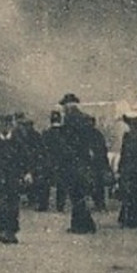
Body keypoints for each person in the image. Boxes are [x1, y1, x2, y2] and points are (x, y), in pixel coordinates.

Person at [59, 94, 99, 234]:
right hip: (84, 161)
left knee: (75, 193)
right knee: (80, 193)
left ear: (69, 106)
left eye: (64, 106)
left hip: (74, 162)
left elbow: (68, 143)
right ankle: (84, 224)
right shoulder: (84, 119)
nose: (63, 109)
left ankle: (82, 225)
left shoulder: (70, 119)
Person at [0, 113, 26, 244]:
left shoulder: (18, 143)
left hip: (13, 179)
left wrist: (26, 173)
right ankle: (3, 230)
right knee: (2, 204)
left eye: (7, 125)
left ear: (11, 126)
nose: (5, 127)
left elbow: (24, 160)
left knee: (13, 205)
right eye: (2, 125)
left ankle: (11, 231)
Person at [18, 116, 51, 212]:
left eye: (26, 125)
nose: (25, 127)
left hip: (35, 162)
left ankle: (37, 201)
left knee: (37, 182)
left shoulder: (34, 136)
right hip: (28, 162)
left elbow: (40, 151)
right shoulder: (21, 135)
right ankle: (33, 199)